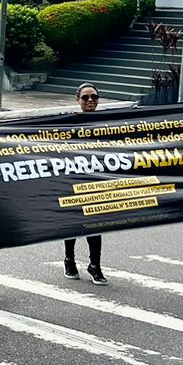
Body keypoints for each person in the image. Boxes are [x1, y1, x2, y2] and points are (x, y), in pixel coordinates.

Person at [63, 84, 108, 284]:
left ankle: (95, 265)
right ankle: (69, 260)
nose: (90, 101)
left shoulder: (107, 122)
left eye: (94, 97)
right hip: (72, 179)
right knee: (72, 224)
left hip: (95, 180)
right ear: (78, 100)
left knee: (95, 224)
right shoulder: (68, 122)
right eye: (86, 98)